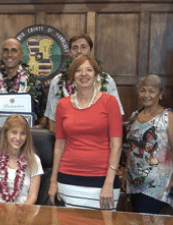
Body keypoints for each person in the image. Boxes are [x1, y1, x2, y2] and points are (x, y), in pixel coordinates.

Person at [48, 55, 122, 210]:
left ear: (95, 75)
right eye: (79, 70)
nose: (84, 74)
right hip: (68, 179)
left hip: (102, 180)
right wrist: (53, 181)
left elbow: (117, 146)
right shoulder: (63, 105)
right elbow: (59, 145)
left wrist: (109, 182)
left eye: (89, 70)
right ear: (72, 76)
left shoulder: (110, 102)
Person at [121, 74, 173, 214]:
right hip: (135, 182)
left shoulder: (168, 116)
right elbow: (131, 147)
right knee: (138, 220)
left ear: (160, 94)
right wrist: (125, 173)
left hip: (157, 185)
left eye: (151, 91)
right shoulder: (135, 115)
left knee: (145, 218)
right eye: (143, 90)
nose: (146, 95)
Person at [45, 34, 124, 133]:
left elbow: (117, 116)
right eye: (75, 48)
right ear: (70, 52)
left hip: (99, 139)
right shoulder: (58, 81)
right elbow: (52, 118)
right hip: (68, 138)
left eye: (83, 47)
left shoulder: (106, 80)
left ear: (90, 50)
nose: (79, 51)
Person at [0, 38, 47, 129]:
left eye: (14, 50)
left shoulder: (34, 84)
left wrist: (39, 126)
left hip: (25, 137)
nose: (9, 54)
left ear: (21, 55)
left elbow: (43, 116)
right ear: (2, 54)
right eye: (5, 50)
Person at [0, 114, 43, 204]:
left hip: (25, 212)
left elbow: (32, 197)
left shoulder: (34, 160)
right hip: (0, 213)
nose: (18, 138)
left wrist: (19, 216)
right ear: (6, 133)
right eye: (14, 132)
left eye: (23, 133)